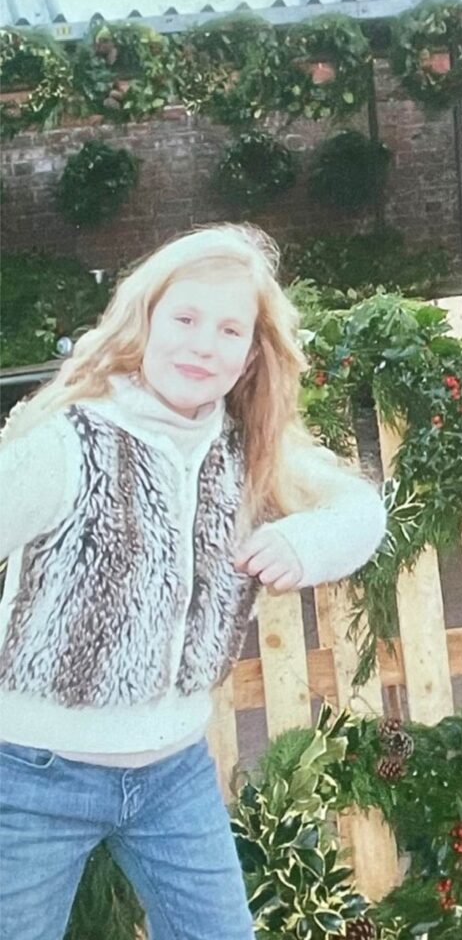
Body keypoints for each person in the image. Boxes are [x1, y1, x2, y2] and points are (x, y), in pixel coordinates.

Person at [0, 224, 387, 940]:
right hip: (33, 773)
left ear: (249, 357)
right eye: (183, 319)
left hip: (172, 775)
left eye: (228, 329)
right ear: (142, 322)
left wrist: (304, 541)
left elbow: (362, 511)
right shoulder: (69, 443)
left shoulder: (250, 453)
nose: (202, 343)